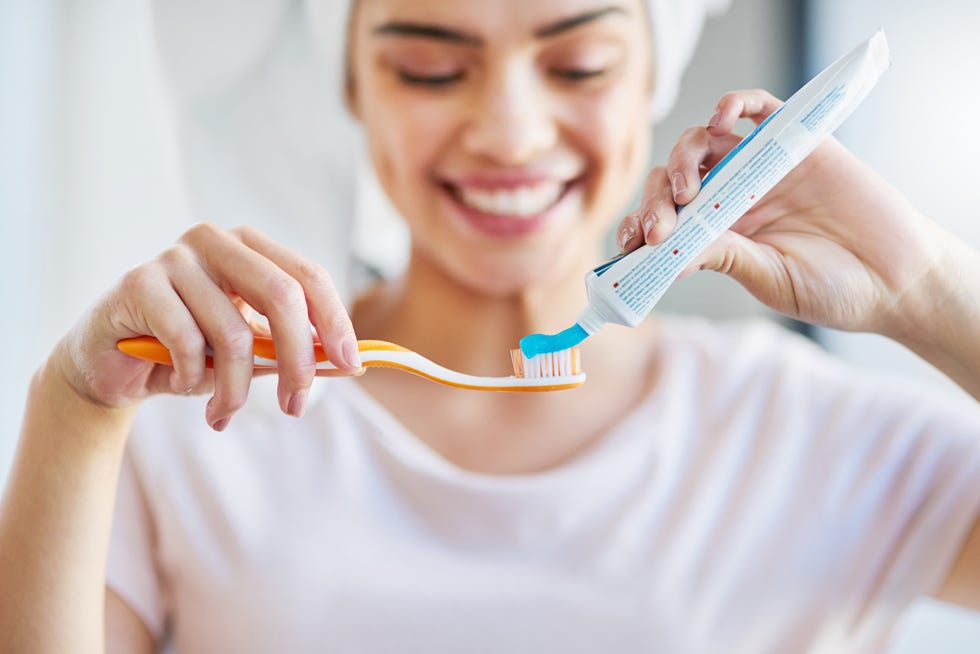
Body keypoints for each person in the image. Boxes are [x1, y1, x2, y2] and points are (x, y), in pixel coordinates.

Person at [2, 1, 979, 652]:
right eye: (430, 70)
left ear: (650, 73)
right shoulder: (192, 427)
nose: (509, 132)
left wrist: (927, 286)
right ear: (348, 86)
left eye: (578, 64)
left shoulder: (801, 431)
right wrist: (72, 406)